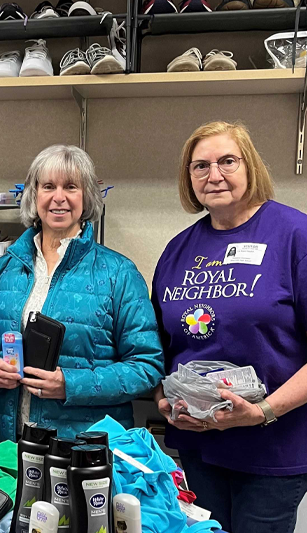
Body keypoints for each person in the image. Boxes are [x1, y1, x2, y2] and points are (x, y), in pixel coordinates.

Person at [152, 121, 307, 533]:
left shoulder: (295, 235)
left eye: (227, 161)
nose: (213, 175)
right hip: (200, 443)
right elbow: (163, 345)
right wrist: (163, 399)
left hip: (271, 446)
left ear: (250, 166)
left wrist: (261, 412)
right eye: (199, 166)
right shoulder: (178, 250)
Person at [0, 144, 164, 441]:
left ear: (86, 196)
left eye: (71, 187)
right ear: (34, 194)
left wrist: (71, 384)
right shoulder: (5, 269)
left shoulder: (118, 273)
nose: (59, 197)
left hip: (84, 448)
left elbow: (147, 367)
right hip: (9, 445)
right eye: (48, 186)